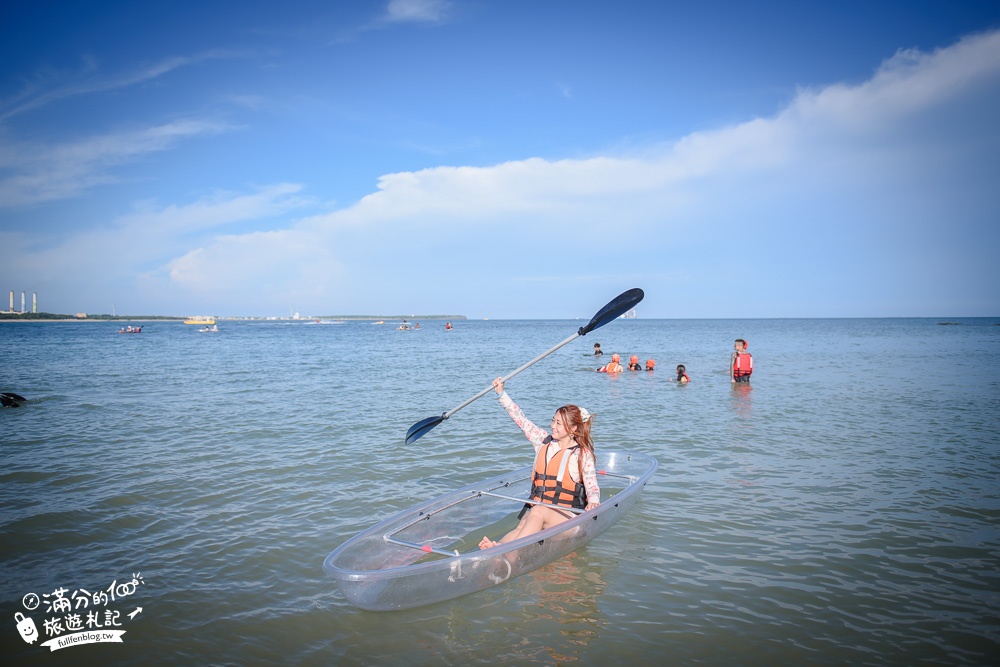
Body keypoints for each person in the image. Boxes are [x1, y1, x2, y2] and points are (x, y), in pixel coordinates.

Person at [479, 378, 600, 550]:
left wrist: (593, 501)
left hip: (571, 522)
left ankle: (509, 552)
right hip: (542, 512)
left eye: (559, 423)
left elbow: (592, 486)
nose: (553, 426)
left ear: (573, 429)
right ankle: (497, 550)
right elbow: (520, 419)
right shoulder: (542, 441)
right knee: (524, 523)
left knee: (537, 511)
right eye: (553, 421)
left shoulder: (582, 454)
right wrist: (501, 394)